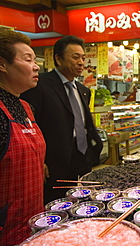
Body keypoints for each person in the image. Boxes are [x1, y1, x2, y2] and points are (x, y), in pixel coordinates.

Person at [21, 36, 103, 204]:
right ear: (58, 58)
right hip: (55, 160)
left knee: (84, 200)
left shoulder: (83, 90)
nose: (81, 62)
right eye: (75, 57)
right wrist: (40, 160)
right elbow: (30, 123)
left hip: (83, 155)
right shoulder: (40, 84)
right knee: (57, 204)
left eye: (83, 57)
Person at [0, 29, 45, 245]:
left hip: (34, 221)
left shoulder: (26, 107)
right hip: (6, 229)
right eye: (28, 59)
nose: (36, 66)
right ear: (2, 64)